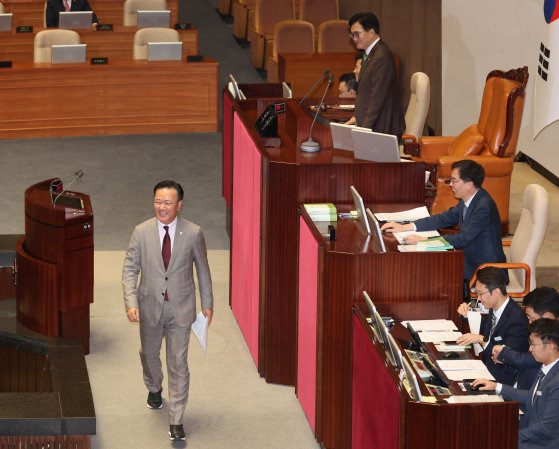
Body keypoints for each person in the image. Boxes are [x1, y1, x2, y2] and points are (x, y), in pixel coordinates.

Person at [122, 180, 214, 441]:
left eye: (167, 203)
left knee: (178, 365)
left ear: (179, 205)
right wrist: (131, 302)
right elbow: (130, 270)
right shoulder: (141, 232)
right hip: (149, 306)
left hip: (181, 309)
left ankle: (176, 420)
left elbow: (203, 270)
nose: (162, 207)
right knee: (149, 354)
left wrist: (207, 304)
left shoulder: (194, 233)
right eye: (158, 202)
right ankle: (153, 387)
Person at [381, 159, 505, 281]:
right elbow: (443, 219)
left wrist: (423, 240)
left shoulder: (483, 207)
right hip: (468, 257)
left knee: (428, 273)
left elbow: (463, 239)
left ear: (469, 184)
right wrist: (404, 227)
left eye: (454, 181)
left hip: (485, 270)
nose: (450, 184)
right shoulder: (469, 198)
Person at [473, 318, 559, 449]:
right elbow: (532, 396)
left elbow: (547, 428)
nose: (530, 349)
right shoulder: (547, 367)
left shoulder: (556, 382)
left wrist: (509, 435)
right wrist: (497, 387)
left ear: (551, 347)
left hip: (540, 443)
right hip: (529, 430)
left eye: (534, 344)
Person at [456, 267, 529, 385]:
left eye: (480, 294)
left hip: (502, 378)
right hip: (485, 367)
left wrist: (481, 339)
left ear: (496, 292)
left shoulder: (517, 320)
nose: (478, 298)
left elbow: (510, 359)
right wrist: (466, 313)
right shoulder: (493, 306)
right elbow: (489, 329)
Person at [346, 12, 405, 136]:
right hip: (376, 125)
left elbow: (377, 99)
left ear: (371, 32)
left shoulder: (381, 56)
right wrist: (358, 118)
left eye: (357, 34)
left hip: (382, 129)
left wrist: (363, 130)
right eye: (352, 35)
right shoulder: (372, 54)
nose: (354, 38)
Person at [492, 287, 559, 389]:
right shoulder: (541, 331)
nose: (529, 323)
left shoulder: (552, 338)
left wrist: (504, 352)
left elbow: (530, 360)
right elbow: (526, 367)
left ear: (547, 316)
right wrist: (505, 360)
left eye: (531, 318)